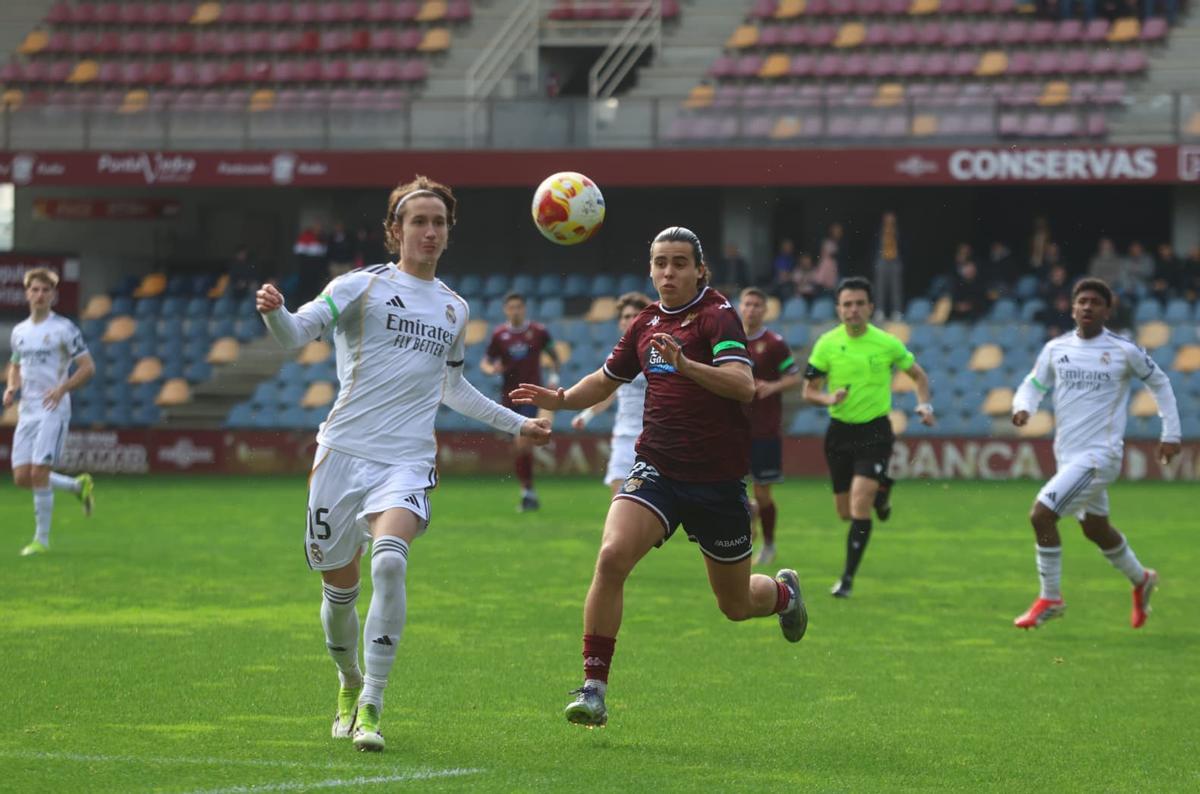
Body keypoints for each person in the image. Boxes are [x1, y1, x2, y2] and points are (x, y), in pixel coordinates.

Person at [256, 176, 551, 752]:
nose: (430, 232)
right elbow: (295, 336)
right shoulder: (357, 287)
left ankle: (373, 705)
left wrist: (521, 424)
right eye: (418, 221)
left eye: (439, 222)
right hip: (341, 455)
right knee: (338, 594)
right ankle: (347, 682)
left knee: (390, 563)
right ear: (395, 230)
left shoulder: (453, 307)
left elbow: (455, 389)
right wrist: (274, 312)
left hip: (406, 461)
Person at [511, 227, 808, 728]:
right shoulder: (646, 322)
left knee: (735, 605)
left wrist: (686, 365)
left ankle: (783, 594)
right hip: (658, 470)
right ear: (650, 269)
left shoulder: (718, 315)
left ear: (699, 270)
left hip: (717, 484)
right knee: (610, 557)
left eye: (678, 263)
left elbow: (744, 386)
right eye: (659, 263)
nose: (668, 272)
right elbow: (606, 380)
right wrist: (560, 400)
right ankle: (593, 688)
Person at [1010, 278, 1179, 630]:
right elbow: (1034, 383)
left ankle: (1051, 597)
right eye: (1081, 301)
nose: (1087, 307)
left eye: (1095, 302)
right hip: (1068, 455)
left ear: (1107, 310)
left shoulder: (1123, 350)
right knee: (1096, 529)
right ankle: (1141, 578)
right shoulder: (1056, 349)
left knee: (1041, 515)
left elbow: (1160, 382)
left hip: (1100, 456)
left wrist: (1171, 432)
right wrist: (1023, 405)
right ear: (1072, 308)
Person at [802, 277, 935, 598]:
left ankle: (846, 579)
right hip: (839, 433)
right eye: (847, 304)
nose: (853, 310)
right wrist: (828, 400)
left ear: (871, 307)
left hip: (875, 432)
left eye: (860, 303)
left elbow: (918, 375)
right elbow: (809, 392)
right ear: (839, 309)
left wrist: (924, 404)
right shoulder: (826, 344)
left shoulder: (886, 343)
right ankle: (883, 489)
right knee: (845, 512)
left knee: (860, 505)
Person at [4, 268, 96, 556]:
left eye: (45, 290)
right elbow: (16, 364)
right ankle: (76, 485)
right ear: (27, 293)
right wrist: (11, 387)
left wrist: (62, 389)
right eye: (35, 290)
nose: (40, 295)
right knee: (22, 477)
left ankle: (41, 541)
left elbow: (88, 367)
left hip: (52, 409)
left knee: (39, 471)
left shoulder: (64, 329)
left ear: (53, 295)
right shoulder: (19, 332)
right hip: (27, 410)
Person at [738, 287, 802, 566]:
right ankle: (741, 537)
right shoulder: (730, 341)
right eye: (747, 304)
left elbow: (794, 377)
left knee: (763, 492)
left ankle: (770, 542)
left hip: (764, 430)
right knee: (732, 489)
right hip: (733, 430)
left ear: (765, 310)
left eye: (756, 305)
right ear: (740, 307)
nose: (751, 309)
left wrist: (771, 386)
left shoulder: (774, 343)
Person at [481, 291, 561, 512]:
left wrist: (554, 378)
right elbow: (486, 362)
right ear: (505, 310)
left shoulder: (538, 332)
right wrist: (491, 369)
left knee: (522, 442)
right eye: (511, 307)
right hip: (508, 397)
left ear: (524, 308)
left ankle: (527, 493)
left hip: (531, 395)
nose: (515, 310)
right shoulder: (499, 335)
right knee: (518, 448)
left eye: (519, 306)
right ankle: (528, 490)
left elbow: (554, 356)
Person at [571, 292, 651, 495]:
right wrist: (586, 415)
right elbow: (607, 392)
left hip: (653, 437)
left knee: (652, 501)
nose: (630, 320)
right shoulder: (616, 357)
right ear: (619, 323)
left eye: (635, 315)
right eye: (625, 316)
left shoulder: (658, 353)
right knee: (619, 498)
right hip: (624, 436)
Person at [873, 211, 904, 321]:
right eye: (888, 218)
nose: (890, 221)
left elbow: (903, 246)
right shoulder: (880, 231)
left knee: (896, 288)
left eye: (892, 218)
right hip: (882, 260)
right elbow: (875, 246)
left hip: (895, 261)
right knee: (880, 287)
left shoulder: (898, 231)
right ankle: (879, 311)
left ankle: (897, 311)